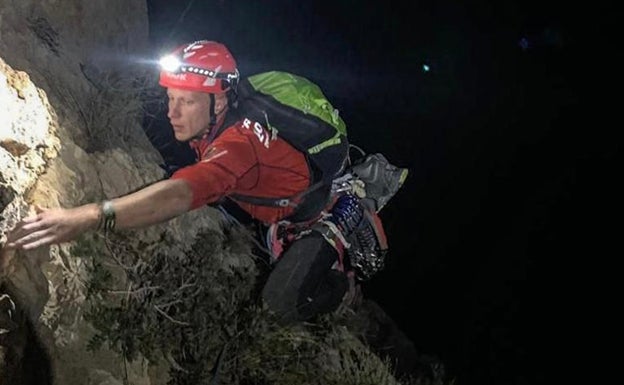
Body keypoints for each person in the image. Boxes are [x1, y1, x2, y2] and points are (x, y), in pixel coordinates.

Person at [4, 40, 353, 323]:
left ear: (219, 101)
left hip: (316, 215)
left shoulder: (239, 144)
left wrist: (89, 216)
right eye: (171, 98)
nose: (173, 113)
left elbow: (181, 193)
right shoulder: (221, 120)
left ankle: (343, 283)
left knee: (278, 304)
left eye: (187, 101)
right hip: (282, 210)